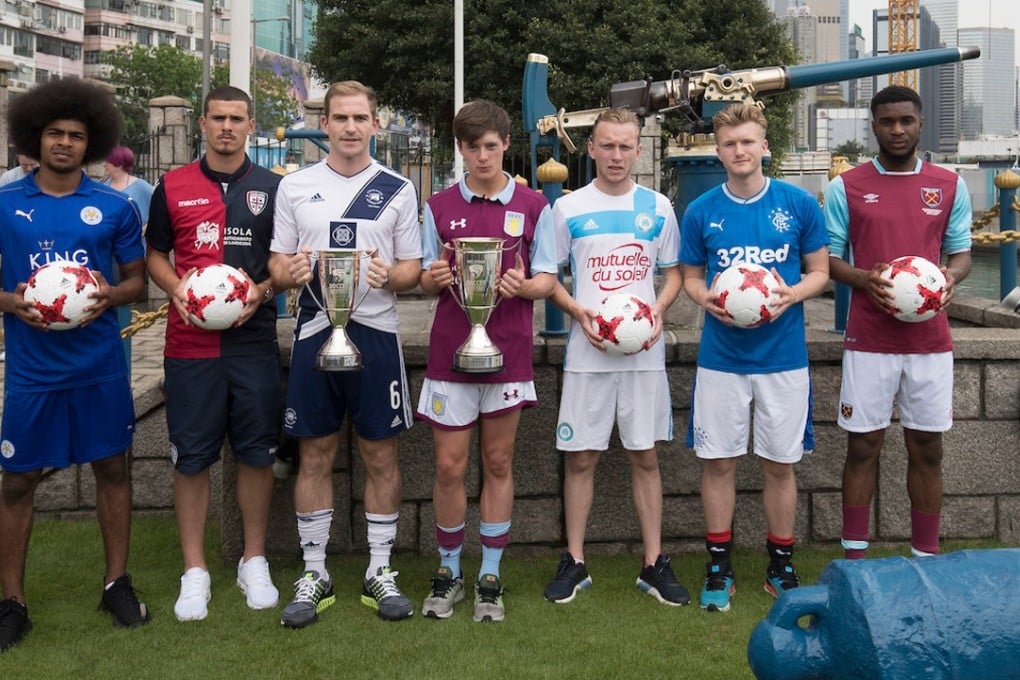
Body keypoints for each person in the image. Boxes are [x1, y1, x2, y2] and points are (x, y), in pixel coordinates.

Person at [0, 78, 149, 652]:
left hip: (99, 365)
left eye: (76, 135)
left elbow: (136, 283)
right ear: (35, 138)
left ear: (93, 143)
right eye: (55, 133)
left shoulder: (113, 206)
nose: (64, 142)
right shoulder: (6, 203)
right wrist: (11, 301)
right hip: (32, 371)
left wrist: (109, 296)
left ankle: (116, 583)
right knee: (19, 480)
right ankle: (12, 601)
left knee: (112, 469)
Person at [269, 81, 423, 627]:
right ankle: (315, 571)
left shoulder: (398, 188)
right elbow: (277, 262)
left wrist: (391, 275)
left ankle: (380, 569)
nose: (351, 127)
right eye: (341, 118)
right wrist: (288, 271)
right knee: (314, 453)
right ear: (325, 124)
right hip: (316, 330)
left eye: (361, 118)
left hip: (375, 334)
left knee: (380, 454)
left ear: (376, 125)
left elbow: (412, 269)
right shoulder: (295, 186)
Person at [679, 104, 830, 612]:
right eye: (729, 143)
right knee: (718, 463)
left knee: (780, 465)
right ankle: (718, 566)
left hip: (783, 359)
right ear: (718, 151)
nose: (739, 151)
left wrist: (792, 294)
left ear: (764, 146)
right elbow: (692, 278)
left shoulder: (798, 204)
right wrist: (706, 300)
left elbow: (819, 271)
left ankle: (780, 565)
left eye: (747, 141)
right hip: (721, 359)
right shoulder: (701, 211)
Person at [416, 100, 557, 622]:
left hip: (509, 353)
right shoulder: (437, 206)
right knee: (449, 466)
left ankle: (490, 575)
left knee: (498, 462)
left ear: (506, 145)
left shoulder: (535, 206)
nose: (482, 156)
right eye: (472, 147)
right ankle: (449, 569)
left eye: (491, 146)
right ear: (460, 149)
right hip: (450, 354)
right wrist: (432, 278)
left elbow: (548, 278)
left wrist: (526, 286)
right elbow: (425, 275)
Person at [146, 86, 282, 622]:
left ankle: (254, 560)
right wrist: (176, 288)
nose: (227, 126)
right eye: (218, 118)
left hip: (253, 344)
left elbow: (284, 263)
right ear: (202, 124)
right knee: (192, 457)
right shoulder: (172, 186)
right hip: (190, 347)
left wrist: (262, 291)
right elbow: (155, 254)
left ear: (251, 126)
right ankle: (195, 570)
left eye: (237, 118)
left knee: (257, 453)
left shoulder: (273, 188)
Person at [543, 108, 689, 607]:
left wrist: (658, 310)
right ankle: (574, 560)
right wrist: (576, 311)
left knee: (644, 455)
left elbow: (674, 274)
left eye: (626, 146)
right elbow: (548, 277)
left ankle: (653, 562)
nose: (616, 155)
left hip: (642, 355)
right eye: (607, 145)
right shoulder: (567, 208)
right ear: (591, 149)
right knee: (581, 457)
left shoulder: (658, 207)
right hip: (588, 355)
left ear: (639, 150)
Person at [822, 85, 972, 561]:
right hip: (869, 340)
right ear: (874, 127)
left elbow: (961, 254)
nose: (897, 130)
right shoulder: (846, 186)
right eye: (887, 121)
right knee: (863, 447)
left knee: (927, 448)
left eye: (906, 120)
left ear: (920, 123)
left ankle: (926, 556)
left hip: (930, 342)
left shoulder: (950, 185)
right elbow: (828, 260)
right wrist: (864, 279)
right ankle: (854, 559)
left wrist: (950, 278)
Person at [103, 146, 154, 229]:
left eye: (108, 162)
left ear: (119, 164)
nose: (104, 165)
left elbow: (160, 208)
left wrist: (145, 228)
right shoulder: (102, 186)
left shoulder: (141, 186)